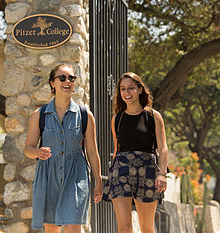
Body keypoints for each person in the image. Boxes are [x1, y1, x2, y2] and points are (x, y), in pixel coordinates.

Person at [24, 64, 103, 233]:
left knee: (73, 227)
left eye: (71, 78)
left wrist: (98, 181)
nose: (67, 81)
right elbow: (28, 149)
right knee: (51, 228)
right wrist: (37, 152)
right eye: (62, 78)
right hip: (48, 177)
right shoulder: (39, 115)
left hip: (76, 177)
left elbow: (91, 152)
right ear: (52, 83)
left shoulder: (85, 115)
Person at [102, 72, 168, 233]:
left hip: (147, 172)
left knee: (146, 228)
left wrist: (162, 174)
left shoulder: (153, 116)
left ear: (140, 89)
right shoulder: (117, 119)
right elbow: (117, 149)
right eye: (123, 89)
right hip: (121, 172)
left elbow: (163, 148)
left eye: (131, 88)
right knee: (124, 228)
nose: (126, 93)